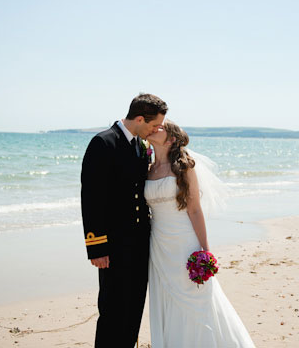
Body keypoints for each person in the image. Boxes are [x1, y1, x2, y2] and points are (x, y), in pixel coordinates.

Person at [145, 120, 256, 347]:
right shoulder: (147, 168)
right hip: (158, 245)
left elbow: (195, 210)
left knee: (195, 299)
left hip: (184, 242)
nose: (155, 128)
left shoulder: (184, 168)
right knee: (166, 297)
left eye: (161, 128)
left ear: (172, 139)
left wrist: (205, 251)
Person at [80, 93, 168, 347]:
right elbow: (92, 199)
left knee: (134, 309)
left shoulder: (141, 146)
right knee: (112, 311)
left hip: (140, 243)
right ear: (139, 118)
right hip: (113, 247)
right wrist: (96, 247)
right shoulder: (103, 143)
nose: (156, 130)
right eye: (154, 125)